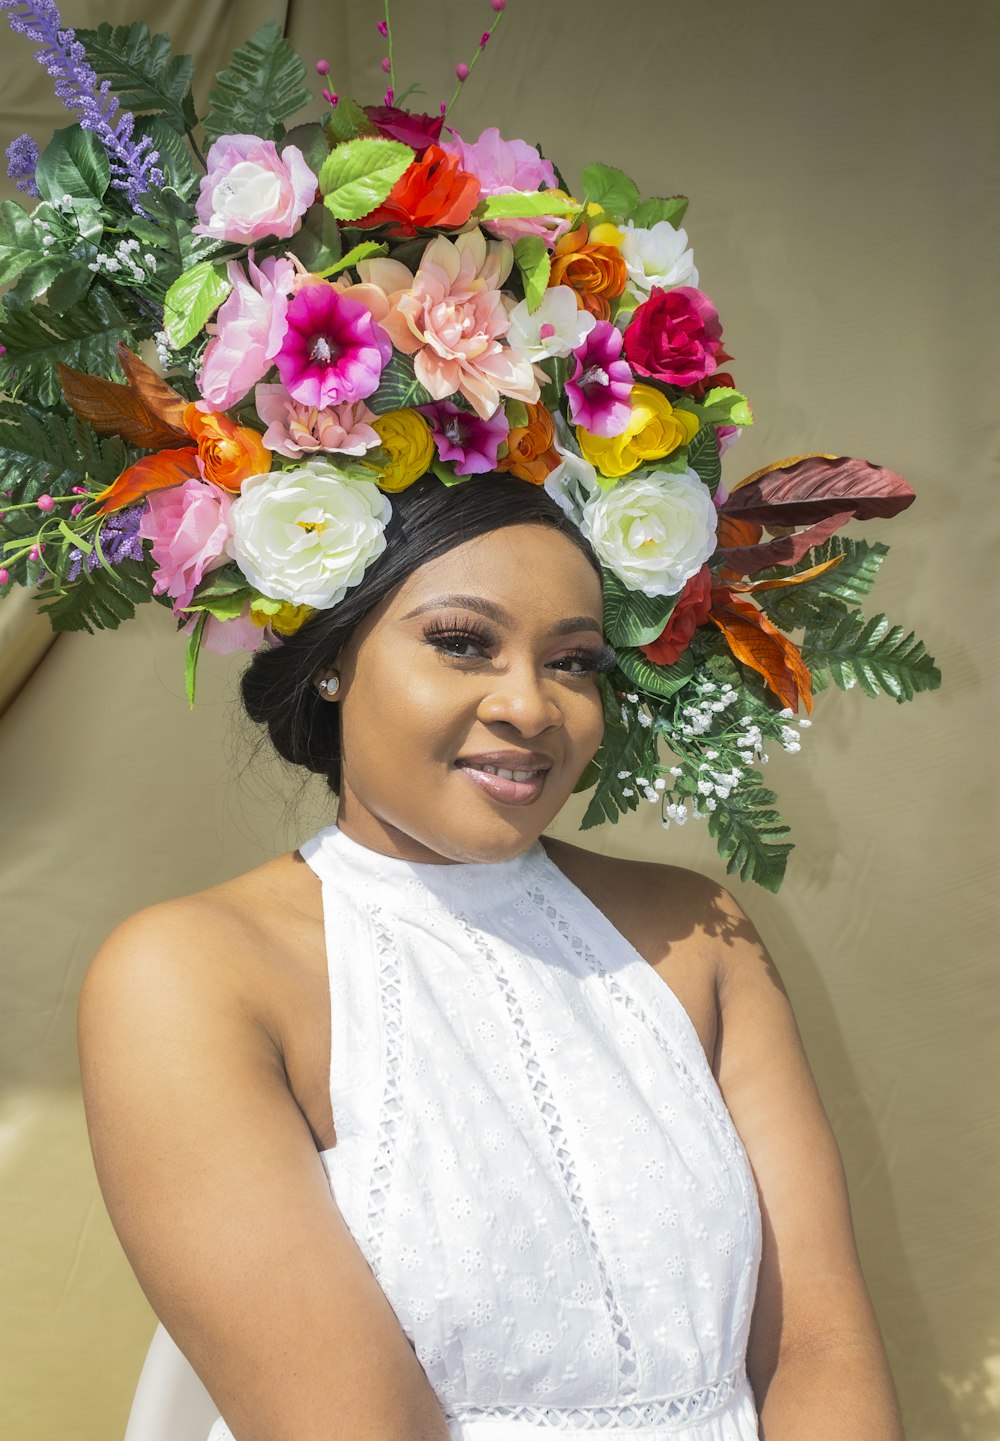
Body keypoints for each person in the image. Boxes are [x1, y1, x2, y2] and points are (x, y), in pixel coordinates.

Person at [77, 473, 905, 1441]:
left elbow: (820, 1348)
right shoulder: (193, 973)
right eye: (463, 643)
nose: (531, 705)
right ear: (332, 656)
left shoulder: (696, 932)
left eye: (573, 660)